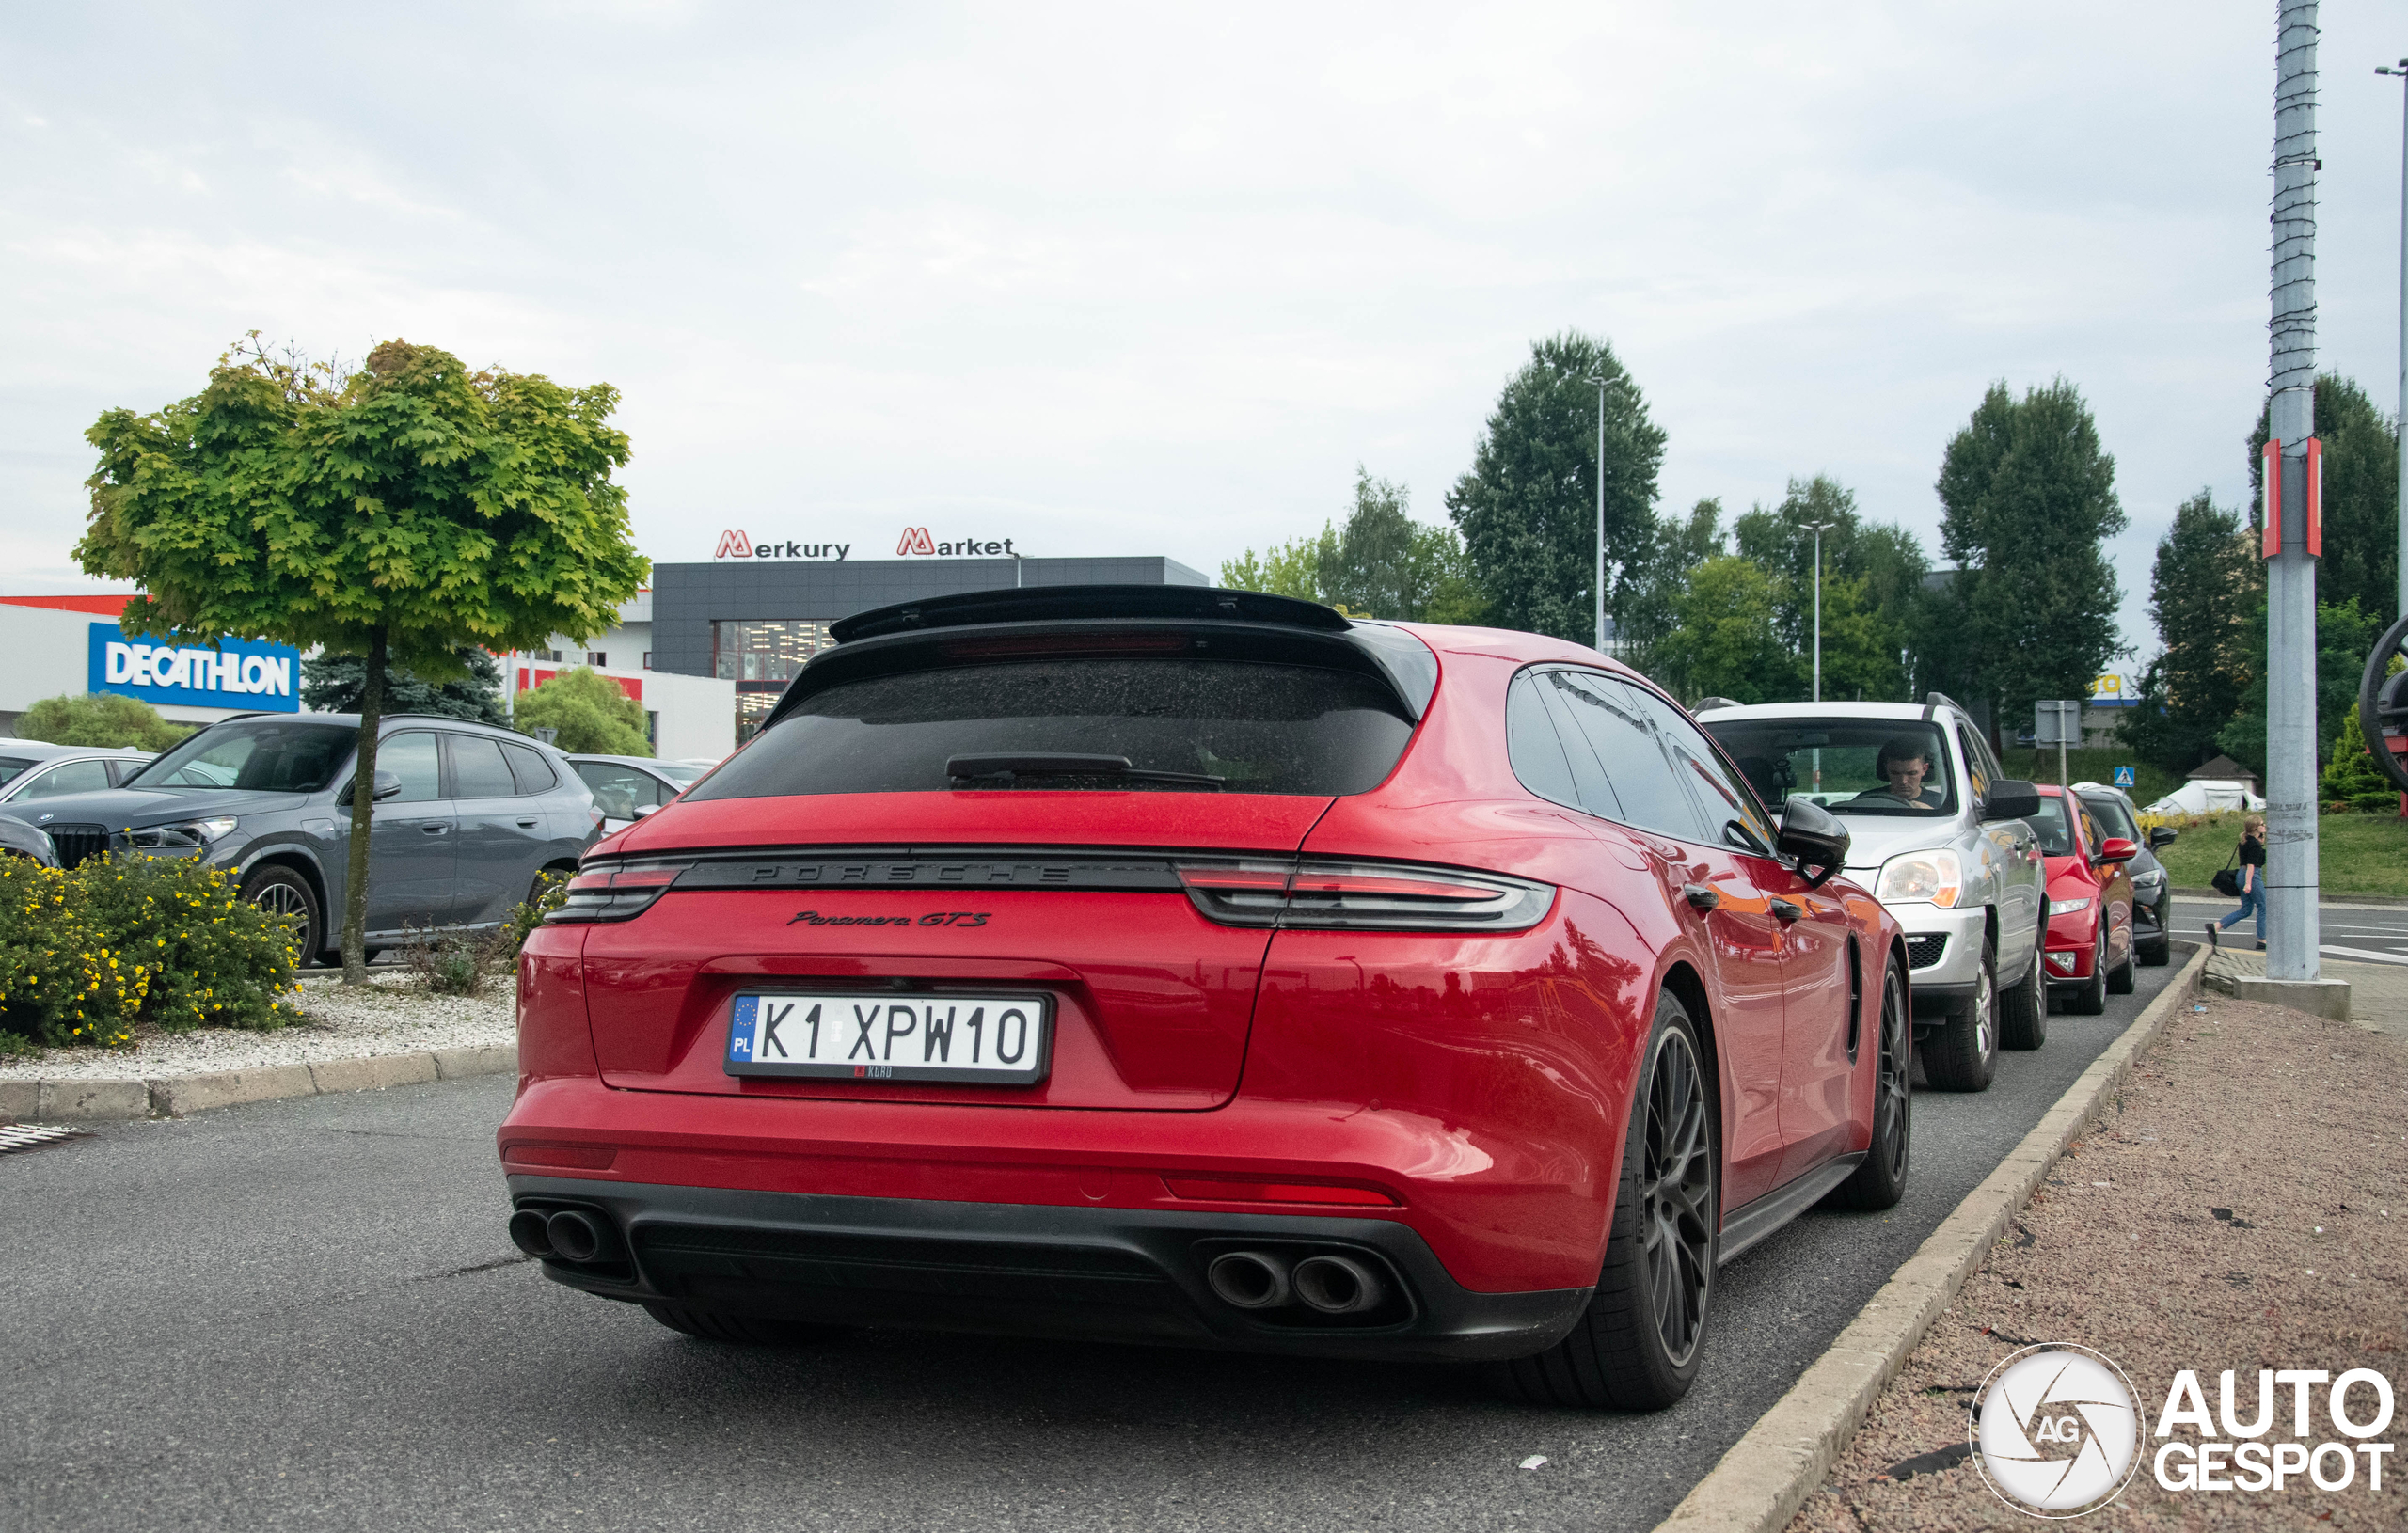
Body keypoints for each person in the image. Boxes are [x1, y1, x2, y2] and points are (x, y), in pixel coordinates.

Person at [2209, 815, 2267, 951]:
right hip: (2251, 876)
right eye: (2262, 824)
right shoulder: (2254, 845)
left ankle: (2216, 926)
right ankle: (2262, 941)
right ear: (2255, 827)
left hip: (2241, 875)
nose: (2264, 825)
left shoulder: (2246, 841)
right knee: (2263, 906)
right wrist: (2248, 883)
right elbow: (2251, 865)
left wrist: (2261, 839)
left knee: (2246, 910)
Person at [1853, 737, 1945, 811]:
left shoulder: (1942, 805)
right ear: (1886, 769)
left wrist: (1932, 813)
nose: (1903, 781)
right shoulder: (1865, 802)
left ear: (1924, 769)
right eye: (1895, 773)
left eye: (1912, 773)